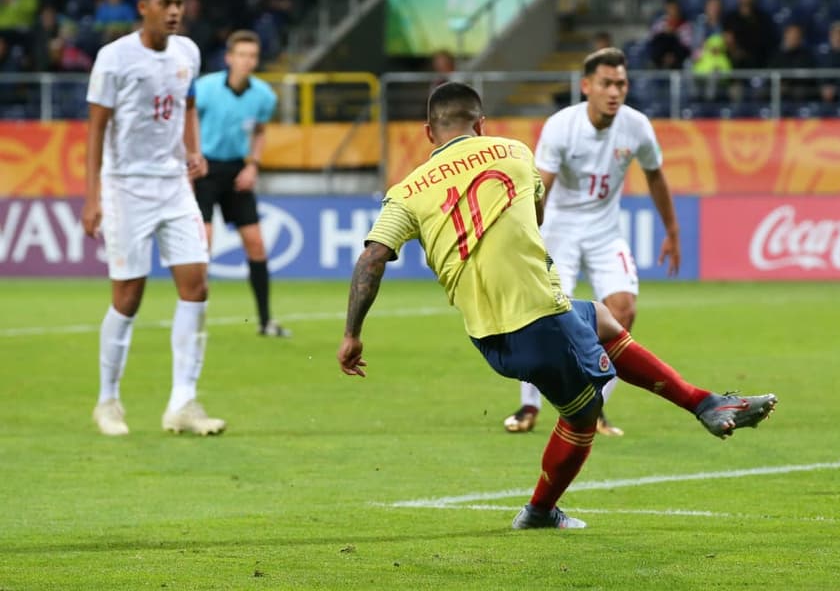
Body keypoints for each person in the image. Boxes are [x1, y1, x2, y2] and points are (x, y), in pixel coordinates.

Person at [338, 82, 775, 529]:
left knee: (602, 318)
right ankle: (540, 511)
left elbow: (371, 257)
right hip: (540, 318)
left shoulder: (407, 191)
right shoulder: (512, 152)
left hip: (488, 336)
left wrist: (352, 334)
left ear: (429, 132)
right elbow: (539, 213)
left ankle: (705, 403)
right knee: (583, 417)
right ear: (481, 123)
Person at [504, 48, 683, 437]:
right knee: (545, 319)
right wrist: (527, 237)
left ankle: (595, 406)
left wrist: (672, 231)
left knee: (624, 311)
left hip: (605, 231)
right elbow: (541, 188)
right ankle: (528, 405)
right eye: (606, 83)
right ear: (587, 86)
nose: (614, 91)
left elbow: (655, 176)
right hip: (559, 229)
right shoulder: (560, 127)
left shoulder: (636, 126)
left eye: (620, 83)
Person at [82, 0, 225, 438]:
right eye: (165, 2)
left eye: (179, 3)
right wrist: (93, 195)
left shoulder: (187, 52)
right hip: (125, 187)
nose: (175, 11)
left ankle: (182, 402)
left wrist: (192, 146)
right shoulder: (114, 59)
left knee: (197, 285)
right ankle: (107, 401)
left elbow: (185, 103)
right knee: (128, 296)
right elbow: (97, 127)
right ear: (142, 7)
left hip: (172, 184)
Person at [193, 30, 289, 338]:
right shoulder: (205, 89)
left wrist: (253, 165)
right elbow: (188, 123)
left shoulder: (263, 96)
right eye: (242, 55)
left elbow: (259, 131)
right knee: (202, 243)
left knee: (257, 244)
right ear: (229, 58)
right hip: (205, 169)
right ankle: (194, 320)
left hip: (238, 170)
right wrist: (191, 156)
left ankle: (265, 321)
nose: (248, 61)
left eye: (253, 56)